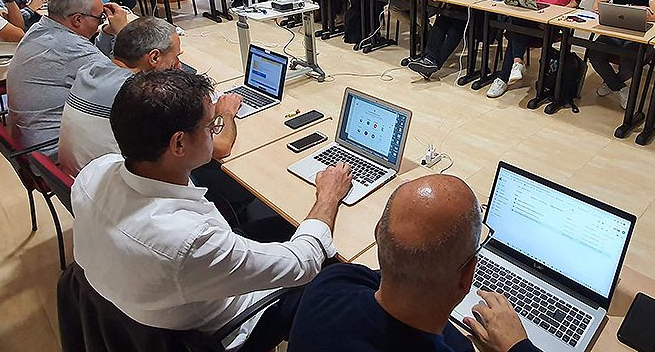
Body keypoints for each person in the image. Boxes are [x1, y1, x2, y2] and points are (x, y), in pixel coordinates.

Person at [72, 69, 353, 351]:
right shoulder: (188, 240)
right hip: (238, 320)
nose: (214, 131)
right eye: (211, 126)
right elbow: (302, 265)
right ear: (179, 143)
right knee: (339, 271)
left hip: (144, 304)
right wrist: (327, 198)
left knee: (275, 223)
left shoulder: (93, 173)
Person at [288, 174, 541, 352]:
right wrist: (517, 346)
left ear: (378, 233)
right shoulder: (458, 347)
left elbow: (399, 275)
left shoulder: (331, 284)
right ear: (467, 276)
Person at [57, 16, 189, 176]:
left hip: (77, 181)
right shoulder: (139, 94)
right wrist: (226, 111)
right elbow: (216, 147)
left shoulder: (90, 70)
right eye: (176, 57)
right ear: (154, 57)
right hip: (112, 190)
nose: (179, 65)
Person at [7, 0, 128, 156]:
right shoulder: (70, 48)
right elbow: (128, 84)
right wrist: (124, 32)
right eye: (99, 19)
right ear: (77, 19)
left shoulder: (39, 28)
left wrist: (108, 32)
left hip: (32, 143)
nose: (100, 24)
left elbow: (91, 56)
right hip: (55, 150)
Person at [486, 0, 586, 99]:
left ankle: (505, 76)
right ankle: (517, 63)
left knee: (514, 30)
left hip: (553, 21)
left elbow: (574, 3)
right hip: (532, 15)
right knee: (513, 20)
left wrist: (550, 18)